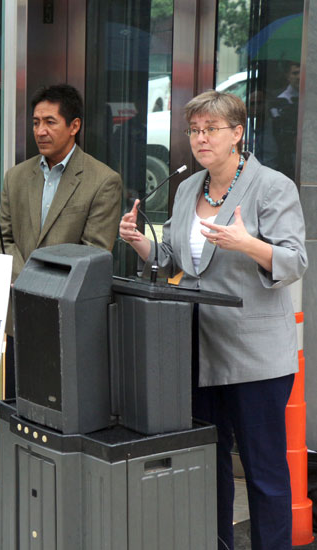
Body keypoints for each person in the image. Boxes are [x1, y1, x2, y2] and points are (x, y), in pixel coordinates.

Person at [119, 90, 307, 550]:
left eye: (211, 130)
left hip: (255, 357)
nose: (200, 139)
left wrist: (247, 244)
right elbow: (177, 263)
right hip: (198, 352)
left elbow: (294, 261)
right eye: (194, 130)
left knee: (264, 472)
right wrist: (143, 245)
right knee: (208, 465)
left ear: (238, 134)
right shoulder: (187, 188)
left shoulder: (272, 186)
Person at [0, 84, 121, 510]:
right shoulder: (17, 175)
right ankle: (15, 484)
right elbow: (1, 236)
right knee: (18, 405)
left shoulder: (102, 180)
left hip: (67, 320)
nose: (40, 130)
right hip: (17, 313)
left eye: (50, 122)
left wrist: (39, 284)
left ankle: (56, 494)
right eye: (36, 122)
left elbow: (95, 253)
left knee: (60, 411)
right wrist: (26, 281)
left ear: (74, 126)